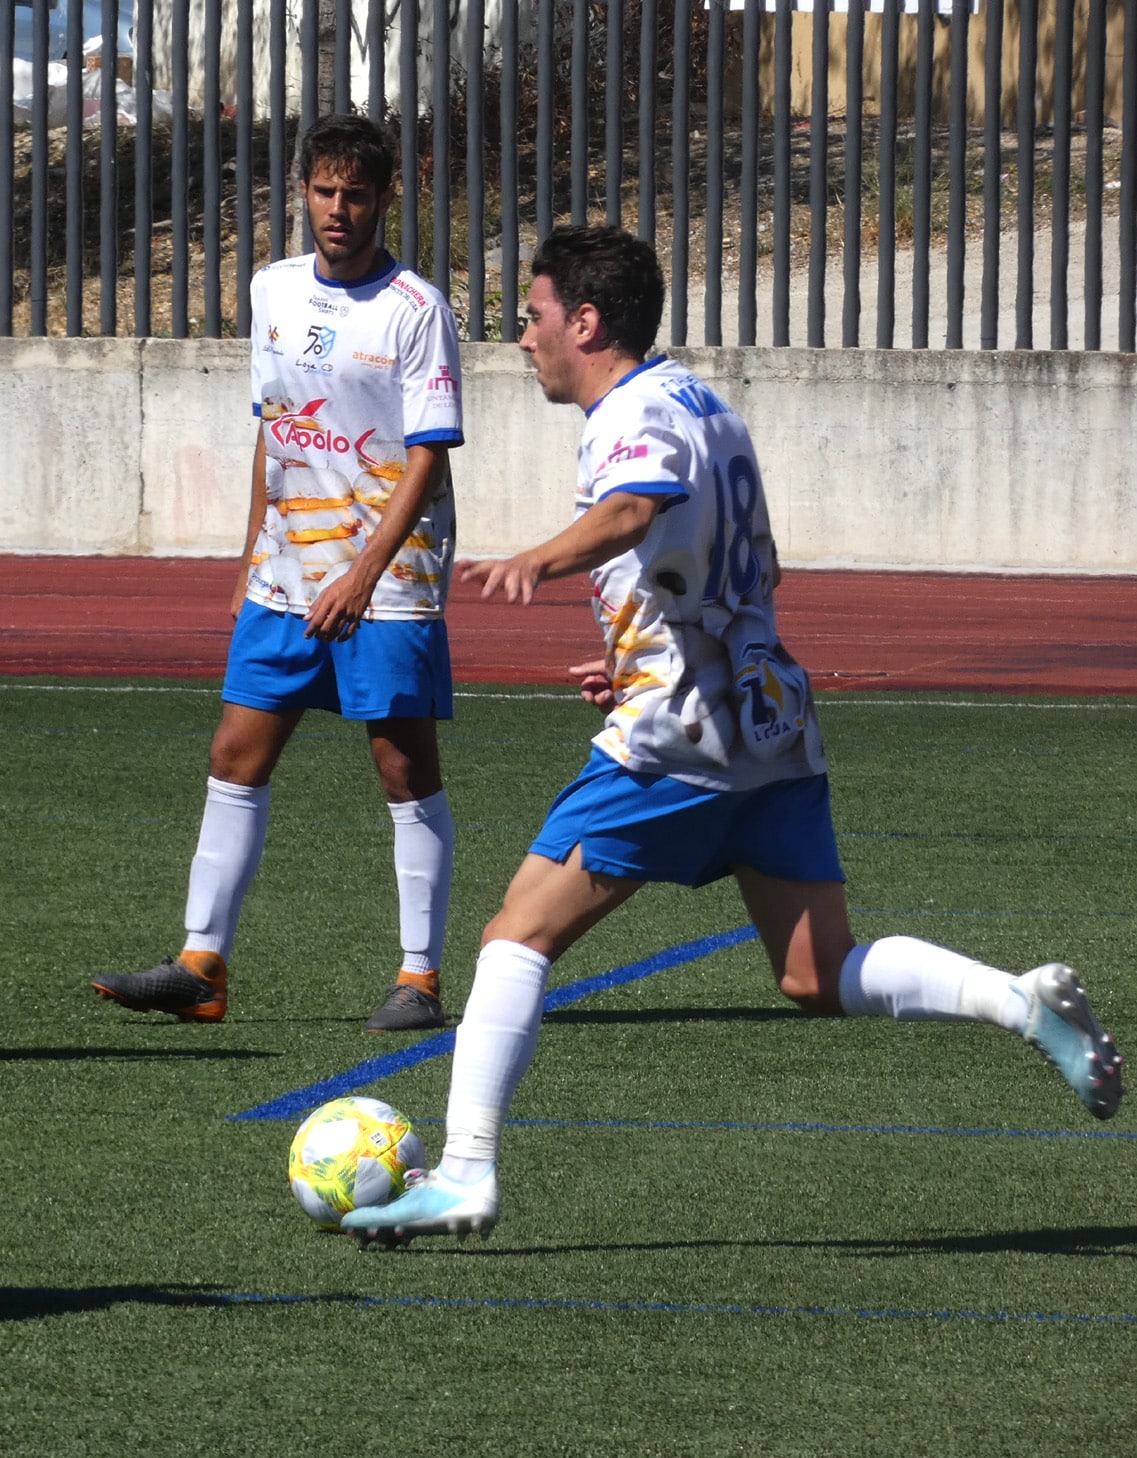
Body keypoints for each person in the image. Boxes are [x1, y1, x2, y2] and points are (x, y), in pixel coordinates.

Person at [341, 224, 1124, 1243]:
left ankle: (465, 1173)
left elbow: (635, 507)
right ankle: (1022, 1005)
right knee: (815, 970)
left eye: (532, 317)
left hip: (681, 732)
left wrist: (541, 559)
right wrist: (638, 650)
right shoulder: (706, 401)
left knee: (513, 936)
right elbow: (751, 567)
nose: (521, 337)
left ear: (584, 321)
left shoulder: (634, 410)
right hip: (767, 715)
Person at [90, 115, 466, 1032]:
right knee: (234, 756)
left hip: (390, 578)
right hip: (285, 575)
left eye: (357, 194)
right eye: (325, 192)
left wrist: (362, 577)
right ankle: (200, 965)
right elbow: (275, 425)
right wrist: (250, 554)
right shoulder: (271, 290)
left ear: (386, 200)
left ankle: (418, 978)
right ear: (303, 193)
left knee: (401, 768)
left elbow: (427, 459)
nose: (338, 210)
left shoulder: (415, 310)